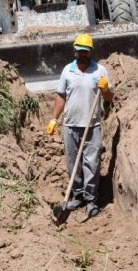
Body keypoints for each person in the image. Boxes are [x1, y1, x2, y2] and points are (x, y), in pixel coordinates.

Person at [47, 33, 114, 219]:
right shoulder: (67, 71)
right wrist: (54, 119)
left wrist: (106, 89)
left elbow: (110, 98)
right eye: (80, 51)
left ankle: (91, 199)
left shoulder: (100, 71)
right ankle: (78, 195)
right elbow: (61, 96)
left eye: (86, 51)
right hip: (70, 125)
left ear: (91, 51)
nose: (83, 54)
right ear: (74, 51)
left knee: (92, 163)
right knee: (72, 163)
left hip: (92, 126)